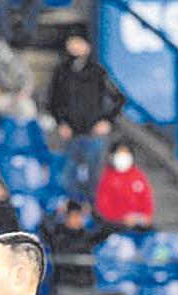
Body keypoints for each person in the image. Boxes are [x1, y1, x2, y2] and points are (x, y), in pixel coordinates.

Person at [47, 30, 124, 201]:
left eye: (79, 43)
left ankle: (94, 214)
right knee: (69, 178)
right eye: (71, 43)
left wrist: (107, 121)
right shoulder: (61, 72)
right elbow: (52, 101)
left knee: (94, 177)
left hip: (93, 133)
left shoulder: (98, 72)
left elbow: (118, 98)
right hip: (70, 135)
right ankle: (72, 216)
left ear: (87, 47)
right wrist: (61, 122)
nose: (74, 48)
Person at [42, 200, 107, 295]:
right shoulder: (57, 236)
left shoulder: (87, 236)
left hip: (86, 287)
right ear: (67, 218)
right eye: (73, 216)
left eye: (79, 216)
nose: (77, 220)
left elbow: (106, 228)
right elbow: (43, 227)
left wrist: (93, 213)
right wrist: (57, 212)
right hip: (64, 288)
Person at [94, 143, 154, 230]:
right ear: (112, 156)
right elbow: (103, 206)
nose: (123, 156)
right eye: (120, 153)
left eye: (126, 153)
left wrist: (144, 217)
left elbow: (146, 200)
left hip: (138, 223)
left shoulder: (138, 176)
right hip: (115, 223)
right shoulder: (107, 178)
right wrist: (122, 217)